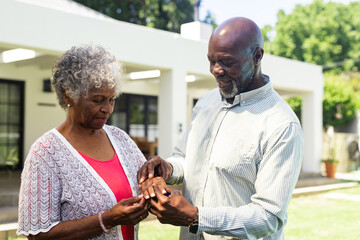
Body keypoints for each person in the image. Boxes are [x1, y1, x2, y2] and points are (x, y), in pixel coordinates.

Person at [137, 17, 304, 239]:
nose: (216, 70)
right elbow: (188, 159)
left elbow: (269, 216)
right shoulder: (206, 103)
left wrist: (196, 218)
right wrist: (168, 168)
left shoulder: (281, 124)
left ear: (257, 56)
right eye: (211, 61)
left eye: (226, 62)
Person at [17, 44, 149, 240]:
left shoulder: (120, 139)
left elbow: (145, 177)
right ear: (68, 96)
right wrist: (107, 219)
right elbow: (38, 236)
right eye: (97, 100)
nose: (107, 109)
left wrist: (154, 180)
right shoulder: (45, 153)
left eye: (112, 99)